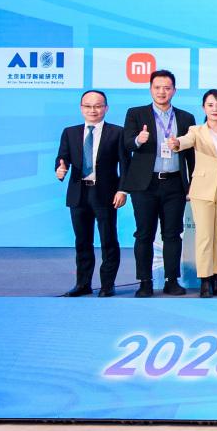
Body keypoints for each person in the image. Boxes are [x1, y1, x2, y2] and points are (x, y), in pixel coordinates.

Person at [120, 69, 195, 297]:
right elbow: (126, 144)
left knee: (172, 234)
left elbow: (192, 155)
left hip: (174, 183)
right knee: (144, 234)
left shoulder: (186, 118)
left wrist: (192, 183)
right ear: (150, 89)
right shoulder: (136, 114)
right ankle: (145, 281)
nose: (162, 92)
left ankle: (172, 280)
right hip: (145, 185)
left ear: (174, 90)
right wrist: (138, 139)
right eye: (157, 87)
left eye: (167, 88)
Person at [169, 89, 217, 297]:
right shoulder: (196, 130)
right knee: (204, 236)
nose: (215, 109)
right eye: (210, 105)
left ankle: (216, 278)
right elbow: (185, 141)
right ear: (203, 107)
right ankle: (204, 279)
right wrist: (176, 143)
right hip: (202, 189)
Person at [54, 89, 126, 297]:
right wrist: (60, 169)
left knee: (108, 240)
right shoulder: (70, 132)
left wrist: (122, 190)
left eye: (97, 106)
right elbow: (62, 158)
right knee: (82, 242)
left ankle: (107, 285)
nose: (92, 110)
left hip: (106, 193)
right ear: (81, 108)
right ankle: (83, 284)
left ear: (106, 108)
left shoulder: (117, 132)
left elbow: (125, 164)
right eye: (88, 106)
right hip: (78, 193)